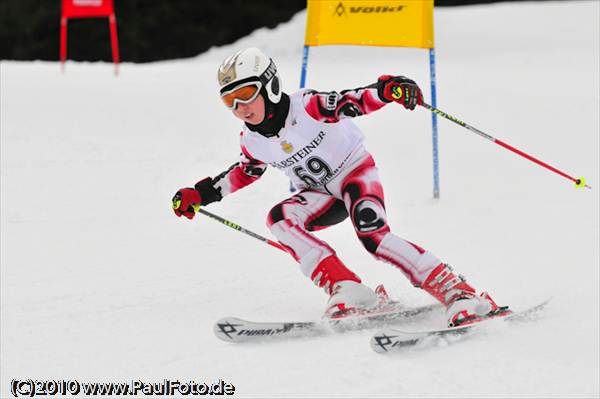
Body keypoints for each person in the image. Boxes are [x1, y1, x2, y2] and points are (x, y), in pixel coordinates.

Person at [172, 47, 506, 327]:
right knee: (279, 219)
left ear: (269, 85)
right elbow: (246, 172)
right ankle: (346, 287)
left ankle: (459, 293)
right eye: (229, 101)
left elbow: (352, 101)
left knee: (374, 236)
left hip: (354, 174)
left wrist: (386, 91)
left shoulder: (307, 106)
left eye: (246, 94)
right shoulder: (252, 140)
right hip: (318, 194)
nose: (240, 107)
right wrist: (201, 194)